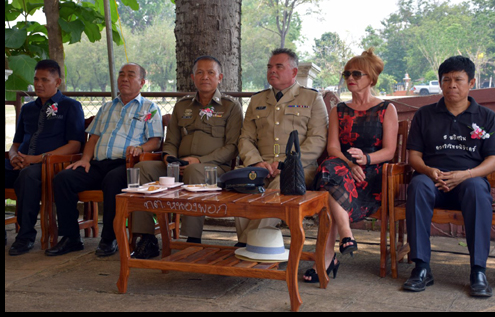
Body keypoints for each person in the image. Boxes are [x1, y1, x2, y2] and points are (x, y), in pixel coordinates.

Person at [402, 56, 495, 297]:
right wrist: (429, 171)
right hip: (432, 180)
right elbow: (414, 157)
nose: (452, 85)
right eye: (446, 80)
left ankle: (478, 271)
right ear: (440, 83)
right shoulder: (425, 114)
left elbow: (492, 160)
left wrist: (466, 174)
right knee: (417, 186)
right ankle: (422, 268)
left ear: (471, 83)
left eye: (458, 80)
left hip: (469, 181)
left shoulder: (486, 117)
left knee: (478, 189)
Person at [129, 56, 243, 259]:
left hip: (214, 170)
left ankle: (192, 240)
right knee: (142, 168)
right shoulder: (182, 106)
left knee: (194, 170)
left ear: (220, 78)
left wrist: (199, 161)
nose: (204, 77)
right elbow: (171, 141)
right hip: (177, 166)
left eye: (210, 73)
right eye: (199, 72)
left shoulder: (230, 107)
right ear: (192, 77)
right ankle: (146, 238)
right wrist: (169, 158)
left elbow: (233, 147)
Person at [45, 63, 163, 257]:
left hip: (126, 165)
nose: (124, 78)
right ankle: (71, 237)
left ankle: (109, 238)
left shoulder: (150, 108)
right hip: (98, 164)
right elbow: (94, 137)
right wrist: (85, 159)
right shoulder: (107, 107)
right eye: (121, 74)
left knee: (113, 180)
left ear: (142, 82)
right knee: (63, 179)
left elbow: (155, 141)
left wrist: (141, 148)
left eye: (130, 75)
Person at [304, 48, 398, 283]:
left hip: (371, 176)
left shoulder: (387, 109)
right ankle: (345, 235)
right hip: (342, 169)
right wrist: (349, 162)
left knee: (329, 188)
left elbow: (389, 151)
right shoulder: (339, 110)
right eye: (347, 74)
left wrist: (365, 160)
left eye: (357, 74)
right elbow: (333, 147)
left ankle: (326, 259)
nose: (350, 79)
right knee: (330, 168)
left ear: (371, 78)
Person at [235, 48, 328, 245]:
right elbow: (246, 139)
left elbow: (317, 139)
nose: (272, 71)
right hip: (260, 166)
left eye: (279, 67)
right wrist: (256, 162)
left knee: (278, 190)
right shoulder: (257, 100)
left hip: (297, 168)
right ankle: (254, 245)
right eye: (270, 67)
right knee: (242, 186)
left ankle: (247, 244)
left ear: (294, 72)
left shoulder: (311, 98)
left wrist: (285, 164)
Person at [5, 60, 85, 255]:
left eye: (44, 80)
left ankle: (25, 236)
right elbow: (15, 144)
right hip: (21, 162)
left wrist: (37, 159)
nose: (38, 84)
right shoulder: (27, 108)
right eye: (36, 79)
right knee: (23, 172)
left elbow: (75, 145)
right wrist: (14, 156)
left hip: (51, 165)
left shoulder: (70, 106)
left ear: (57, 82)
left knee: (28, 176)